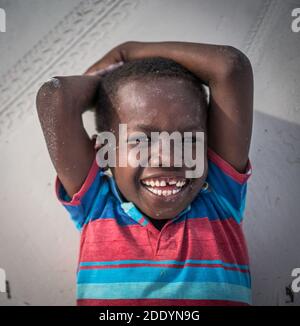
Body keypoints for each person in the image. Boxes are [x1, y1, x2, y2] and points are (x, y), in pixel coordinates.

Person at [36, 41, 253, 306]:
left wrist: (127, 52)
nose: (169, 158)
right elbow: (54, 96)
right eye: (142, 141)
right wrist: (107, 84)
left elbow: (230, 67)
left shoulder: (220, 196)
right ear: (106, 150)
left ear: (208, 146)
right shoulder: (96, 205)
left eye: (187, 139)